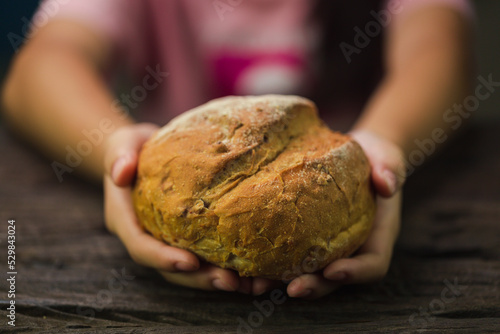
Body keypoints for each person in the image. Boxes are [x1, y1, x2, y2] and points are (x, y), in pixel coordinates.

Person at [1, 0, 474, 299]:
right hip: (175, 180)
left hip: (346, 175)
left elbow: (440, 51)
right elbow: (37, 69)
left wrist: (385, 144)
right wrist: (115, 150)